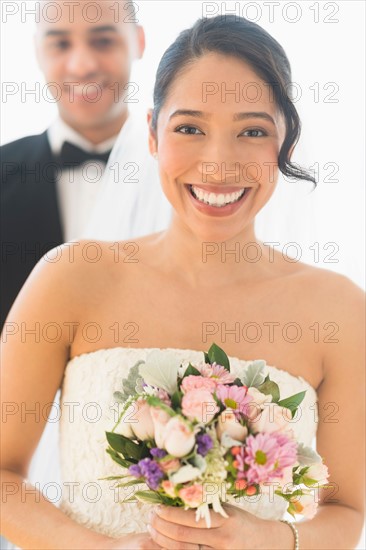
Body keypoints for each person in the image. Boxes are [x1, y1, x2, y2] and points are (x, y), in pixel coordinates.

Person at [1, 14, 365, 550]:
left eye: (253, 130)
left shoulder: (339, 310)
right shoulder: (70, 279)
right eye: (189, 128)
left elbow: (348, 510)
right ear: (151, 133)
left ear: (285, 142)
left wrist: (267, 539)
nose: (218, 163)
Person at [0, 0, 170, 331]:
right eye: (61, 44)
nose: (82, 66)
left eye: (103, 41)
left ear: (139, 41)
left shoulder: (186, 182)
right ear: (37, 51)